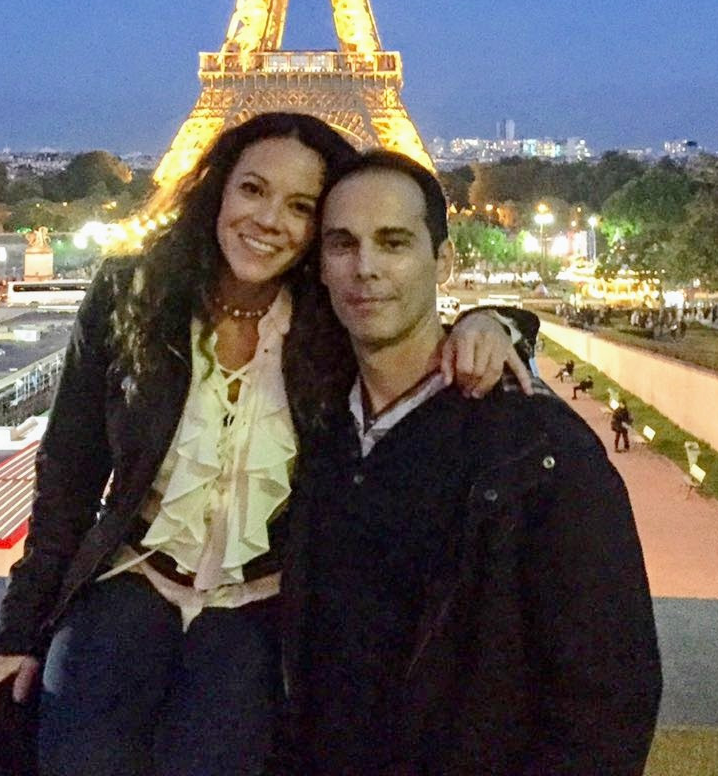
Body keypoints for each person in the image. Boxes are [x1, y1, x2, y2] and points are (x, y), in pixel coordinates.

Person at [0, 113, 529, 776]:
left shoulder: (330, 319)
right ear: (219, 190)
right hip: (130, 583)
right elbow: (69, 479)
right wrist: (15, 639)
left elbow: (418, 324)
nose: (269, 219)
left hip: (261, 604)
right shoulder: (128, 295)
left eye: (301, 206)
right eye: (253, 190)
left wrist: (497, 322)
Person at [273, 150, 662, 775]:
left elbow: (606, 703)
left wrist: (497, 322)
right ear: (318, 265)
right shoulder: (310, 425)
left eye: (393, 242)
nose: (365, 268)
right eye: (342, 244)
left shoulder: (539, 452)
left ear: (443, 262)